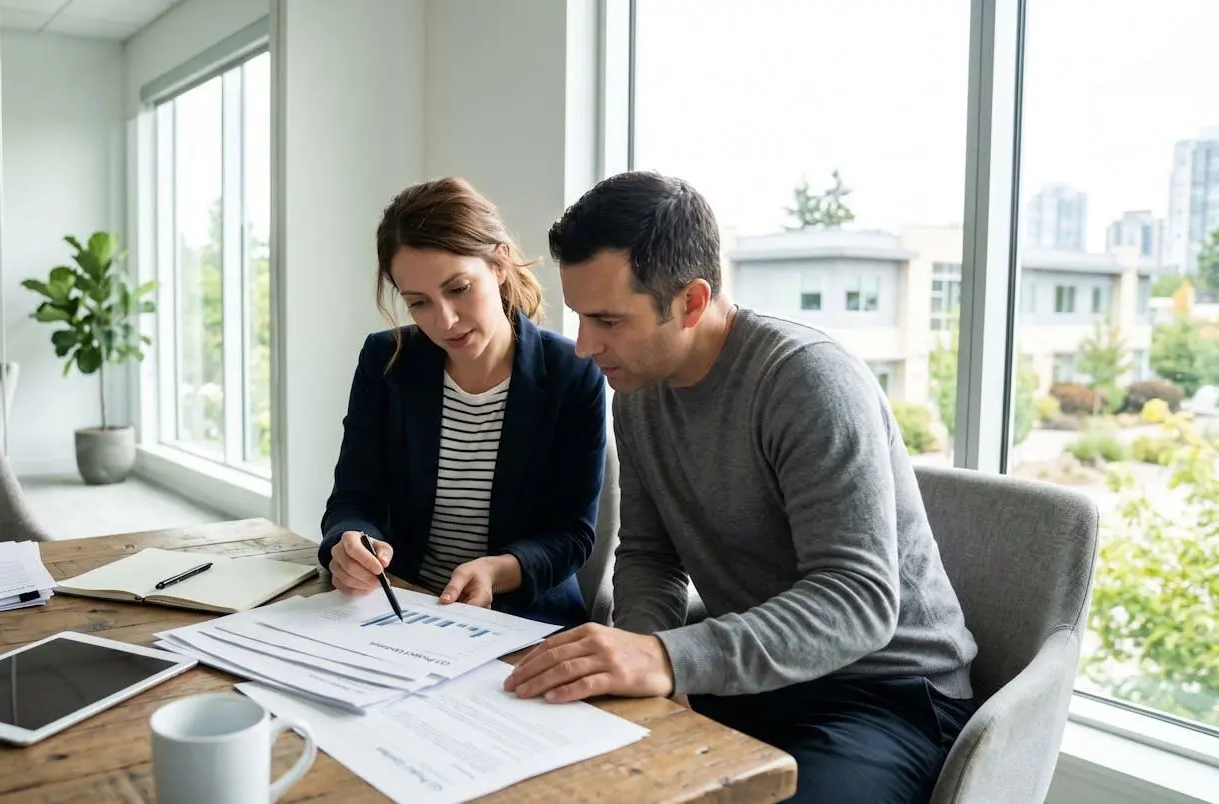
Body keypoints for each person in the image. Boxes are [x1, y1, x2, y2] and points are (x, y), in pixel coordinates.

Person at [504, 171, 979, 802]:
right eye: (581, 318)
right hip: (757, 678)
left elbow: (857, 599)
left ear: (693, 302)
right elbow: (650, 554)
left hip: (884, 693)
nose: (586, 346)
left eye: (609, 320)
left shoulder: (806, 382)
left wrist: (668, 657)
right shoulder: (638, 389)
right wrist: (642, 654)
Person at [317, 177, 607, 627]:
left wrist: (497, 570)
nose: (445, 320)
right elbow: (354, 500)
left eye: (458, 288)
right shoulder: (385, 361)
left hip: (524, 622)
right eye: (419, 303)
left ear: (499, 263)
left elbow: (571, 535)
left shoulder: (572, 372)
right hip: (402, 608)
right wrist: (351, 542)